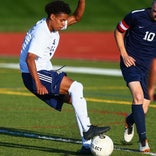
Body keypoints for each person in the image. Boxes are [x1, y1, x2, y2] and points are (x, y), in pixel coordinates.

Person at [19, 0, 110, 154]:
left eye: (64, 20)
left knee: (77, 98)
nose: (63, 24)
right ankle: (88, 130)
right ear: (52, 17)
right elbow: (29, 58)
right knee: (76, 87)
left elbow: (77, 17)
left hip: (42, 72)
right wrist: (38, 84)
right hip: (34, 74)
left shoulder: (53, 25)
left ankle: (86, 146)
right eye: (61, 20)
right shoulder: (41, 32)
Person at [114, 0, 156, 152]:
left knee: (143, 110)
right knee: (138, 97)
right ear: (152, 6)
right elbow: (118, 31)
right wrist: (124, 54)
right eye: (155, 10)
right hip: (130, 64)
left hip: (149, 69)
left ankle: (129, 121)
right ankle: (143, 141)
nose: (155, 14)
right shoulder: (136, 16)